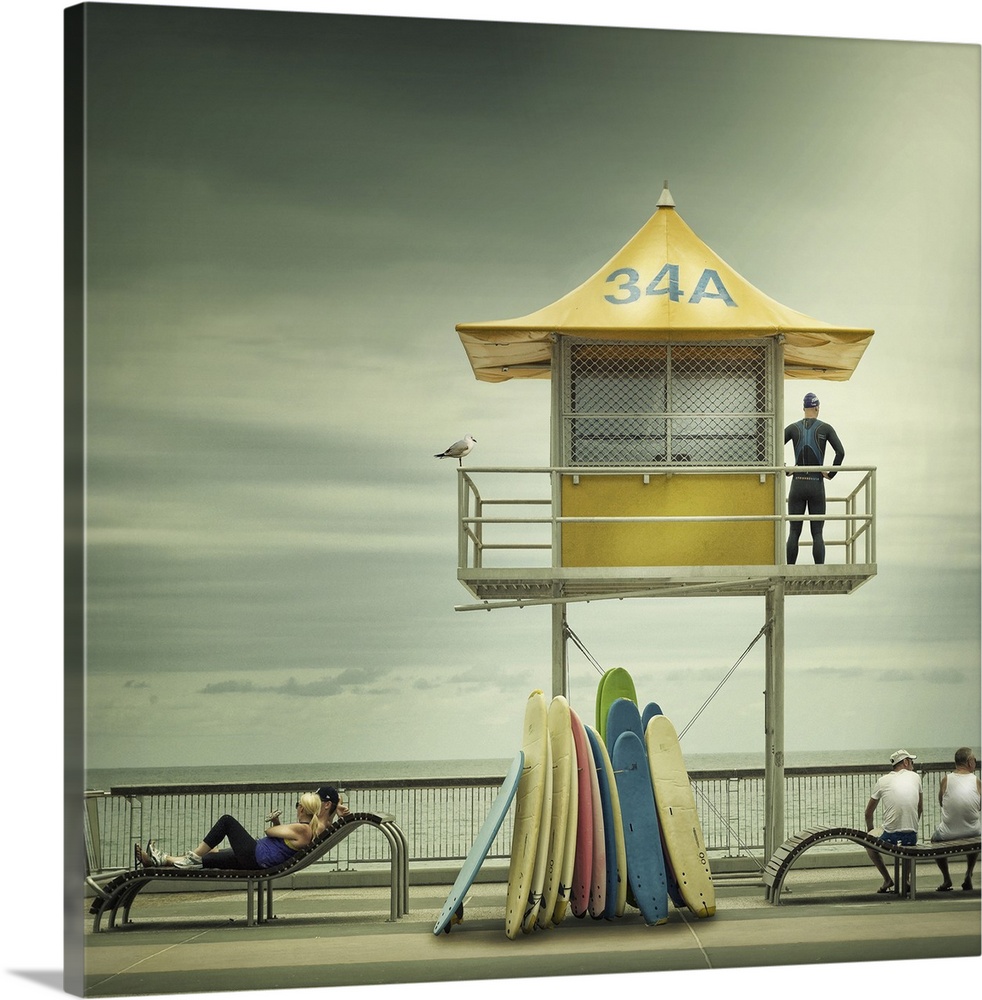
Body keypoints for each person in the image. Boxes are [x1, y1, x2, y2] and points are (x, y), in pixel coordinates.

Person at [137, 791, 324, 870]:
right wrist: (278, 822)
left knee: (227, 821)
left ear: (301, 809)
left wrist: (275, 824)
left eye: (297, 804)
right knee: (210, 855)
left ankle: (191, 857)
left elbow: (269, 832)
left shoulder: (301, 829)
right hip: (256, 858)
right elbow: (280, 840)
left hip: (254, 855)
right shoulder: (306, 830)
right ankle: (160, 860)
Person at [784, 391, 845, 564]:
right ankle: (819, 570)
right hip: (816, 484)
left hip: (797, 484)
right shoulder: (825, 428)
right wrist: (830, 474)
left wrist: (786, 469)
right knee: (817, 532)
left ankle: (790, 569)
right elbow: (840, 452)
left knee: (794, 532)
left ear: (803, 408)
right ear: (817, 408)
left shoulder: (793, 428)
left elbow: (771, 447)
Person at [864, 749, 923, 893]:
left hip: (890, 836)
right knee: (908, 843)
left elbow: (868, 813)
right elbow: (919, 807)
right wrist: (913, 824)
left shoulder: (882, 781)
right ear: (906, 762)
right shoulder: (916, 777)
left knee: (869, 846)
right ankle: (906, 880)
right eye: (912, 762)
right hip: (911, 835)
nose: (913, 765)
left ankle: (887, 879)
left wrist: (870, 831)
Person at [931, 747, 981, 891]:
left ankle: (947, 879)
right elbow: (979, 806)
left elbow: (942, 803)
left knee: (935, 840)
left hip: (948, 833)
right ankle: (969, 873)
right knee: (975, 833)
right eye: (975, 760)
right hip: (973, 832)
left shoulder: (946, 780)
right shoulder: (977, 781)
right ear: (969, 762)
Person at [266, 784, 349, 828]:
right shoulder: (324, 822)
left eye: (316, 800)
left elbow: (269, 831)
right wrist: (337, 806)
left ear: (327, 805)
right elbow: (337, 797)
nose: (313, 803)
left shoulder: (316, 826)